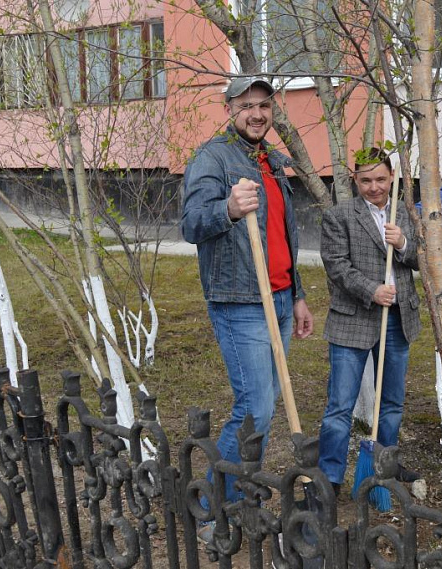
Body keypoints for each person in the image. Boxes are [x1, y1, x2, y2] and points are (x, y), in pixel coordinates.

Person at [181, 76, 314, 514]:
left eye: (264, 105)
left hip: (278, 295)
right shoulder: (212, 158)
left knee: (266, 402)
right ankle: (212, 500)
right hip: (240, 301)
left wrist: (297, 294)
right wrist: (229, 209)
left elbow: (284, 234)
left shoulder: (273, 161)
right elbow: (190, 224)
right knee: (253, 405)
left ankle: (236, 490)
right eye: (247, 105)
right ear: (229, 110)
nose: (257, 113)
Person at [318, 148, 421, 495]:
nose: (374, 187)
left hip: (397, 319)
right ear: (355, 181)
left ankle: (385, 464)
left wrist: (403, 243)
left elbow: (424, 257)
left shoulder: (406, 213)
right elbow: (337, 266)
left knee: (391, 401)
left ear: (392, 177)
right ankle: (330, 477)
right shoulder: (340, 216)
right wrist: (371, 290)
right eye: (366, 180)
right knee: (340, 405)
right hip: (354, 319)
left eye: (380, 179)